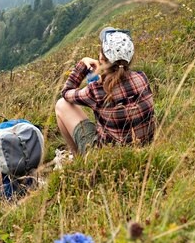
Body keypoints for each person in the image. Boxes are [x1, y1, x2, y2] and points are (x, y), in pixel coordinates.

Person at [55, 27, 155, 155]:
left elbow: (66, 92)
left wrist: (82, 65)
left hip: (108, 155)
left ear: (102, 58)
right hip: (144, 149)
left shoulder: (96, 90)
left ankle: (77, 158)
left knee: (61, 105)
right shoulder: (142, 77)